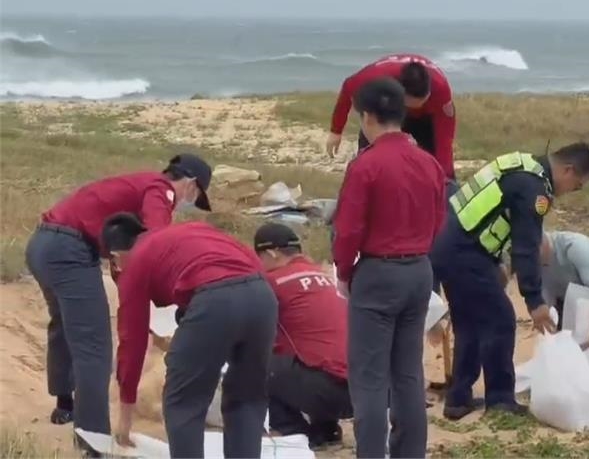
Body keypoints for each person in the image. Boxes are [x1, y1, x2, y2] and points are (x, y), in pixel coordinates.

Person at [24, 153, 212, 436]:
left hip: (42, 244)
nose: (190, 202)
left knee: (63, 326)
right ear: (191, 183)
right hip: (69, 250)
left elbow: (123, 254)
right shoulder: (160, 189)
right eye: (196, 196)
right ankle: (93, 438)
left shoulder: (137, 184)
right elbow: (157, 240)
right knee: (94, 347)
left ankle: (65, 404)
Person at [431, 142, 589, 420]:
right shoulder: (536, 190)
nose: (572, 191)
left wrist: (496, 263)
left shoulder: (522, 164)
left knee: (470, 323)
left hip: (449, 244)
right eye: (578, 185)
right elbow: (526, 246)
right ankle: (500, 401)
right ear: (568, 170)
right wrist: (535, 301)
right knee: (500, 320)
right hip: (465, 252)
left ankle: (458, 399)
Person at [332, 77, 447, 459]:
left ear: (366, 117)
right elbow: (437, 220)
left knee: (368, 380)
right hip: (418, 270)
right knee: (408, 373)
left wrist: (344, 272)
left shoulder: (366, 165)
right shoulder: (428, 163)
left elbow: (348, 230)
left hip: (379, 273)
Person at [102, 215, 277, 458]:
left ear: (116, 255)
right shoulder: (192, 231)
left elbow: (132, 342)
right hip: (263, 296)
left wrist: (125, 416)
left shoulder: (136, 262)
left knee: (183, 401)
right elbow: (240, 265)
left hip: (214, 300)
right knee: (246, 397)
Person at [253, 222, 353, 449]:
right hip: (366, 390)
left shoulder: (272, 283)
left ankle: (292, 431)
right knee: (316, 351)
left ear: (272, 253)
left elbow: (247, 329)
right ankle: (326, 431)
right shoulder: (324, 276)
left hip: (328, 391)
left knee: (255, 359)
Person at [325, 53, 457, 181]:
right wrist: (335, 131)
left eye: (423, 101)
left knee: (432, 166)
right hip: (390, 110)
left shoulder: (441, 88)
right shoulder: (374, 76)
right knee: (372, 157)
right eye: (412, 103)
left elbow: (444, 139)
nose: (418, 105)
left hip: (425, 118)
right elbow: (348, 88)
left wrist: (446, 176)